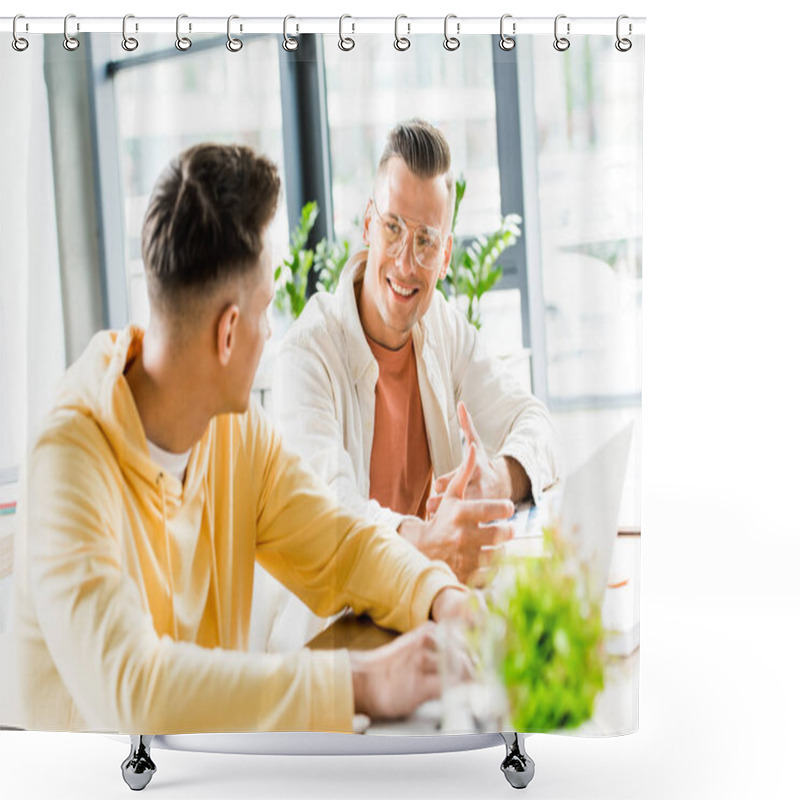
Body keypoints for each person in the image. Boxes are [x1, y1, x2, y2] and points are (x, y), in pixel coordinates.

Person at [13, 143, 470, 735]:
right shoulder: (67, 462)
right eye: (265, 309)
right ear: (229, 332)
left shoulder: (234, 433)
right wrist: (360, 682)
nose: (272, 330)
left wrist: (445, 599)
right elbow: (134, 684)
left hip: (207, 772)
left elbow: (342, 545)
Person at [273, 119, 558, 590]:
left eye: (425, 240)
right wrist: (430, 541)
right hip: (336, 632)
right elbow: (329, 514)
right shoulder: (306, 355)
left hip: (428, 604)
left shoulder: (442, 326)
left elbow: (534, 421)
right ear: (368, 224)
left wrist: (498, 481)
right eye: (393, 228)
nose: (406, 262)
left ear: (445, 257)